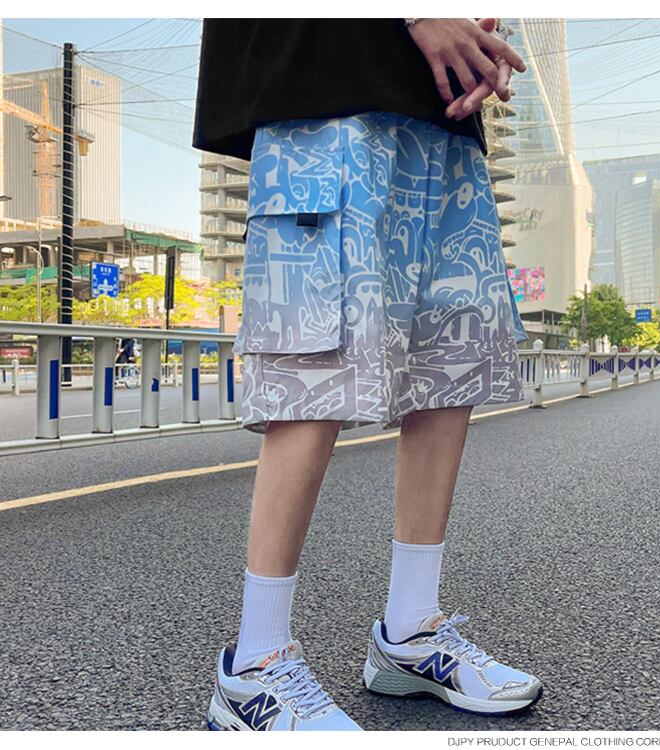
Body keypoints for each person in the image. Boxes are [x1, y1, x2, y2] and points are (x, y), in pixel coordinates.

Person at [193, 18, 541, 732]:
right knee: (310, 361)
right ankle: (254, 667)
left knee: (448, 363)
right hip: (322, 92)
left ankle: (411, 631)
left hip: (441, 118)